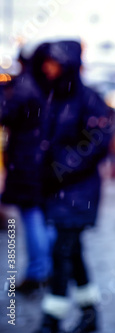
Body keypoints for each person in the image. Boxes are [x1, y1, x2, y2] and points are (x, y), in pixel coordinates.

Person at [30, 39, 112, 333]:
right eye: (45, 63)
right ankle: (90, 313)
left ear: (67, 65)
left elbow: (97, 142)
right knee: (72, 250)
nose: (47, 68)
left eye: (54, 62)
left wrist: (60, 167)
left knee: (62, 250)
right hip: (58, 189)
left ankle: (52, 317)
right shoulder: (54, 96)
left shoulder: (88, 99)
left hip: (79, 192)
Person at [0, 42, 55, 294]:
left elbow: (6, 114)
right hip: (42, 160)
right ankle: (48, 267)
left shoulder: (25, 85)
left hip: (26, 161)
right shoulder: (48, 85)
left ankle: (37, 271)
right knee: (42, 216)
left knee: (32, 216)